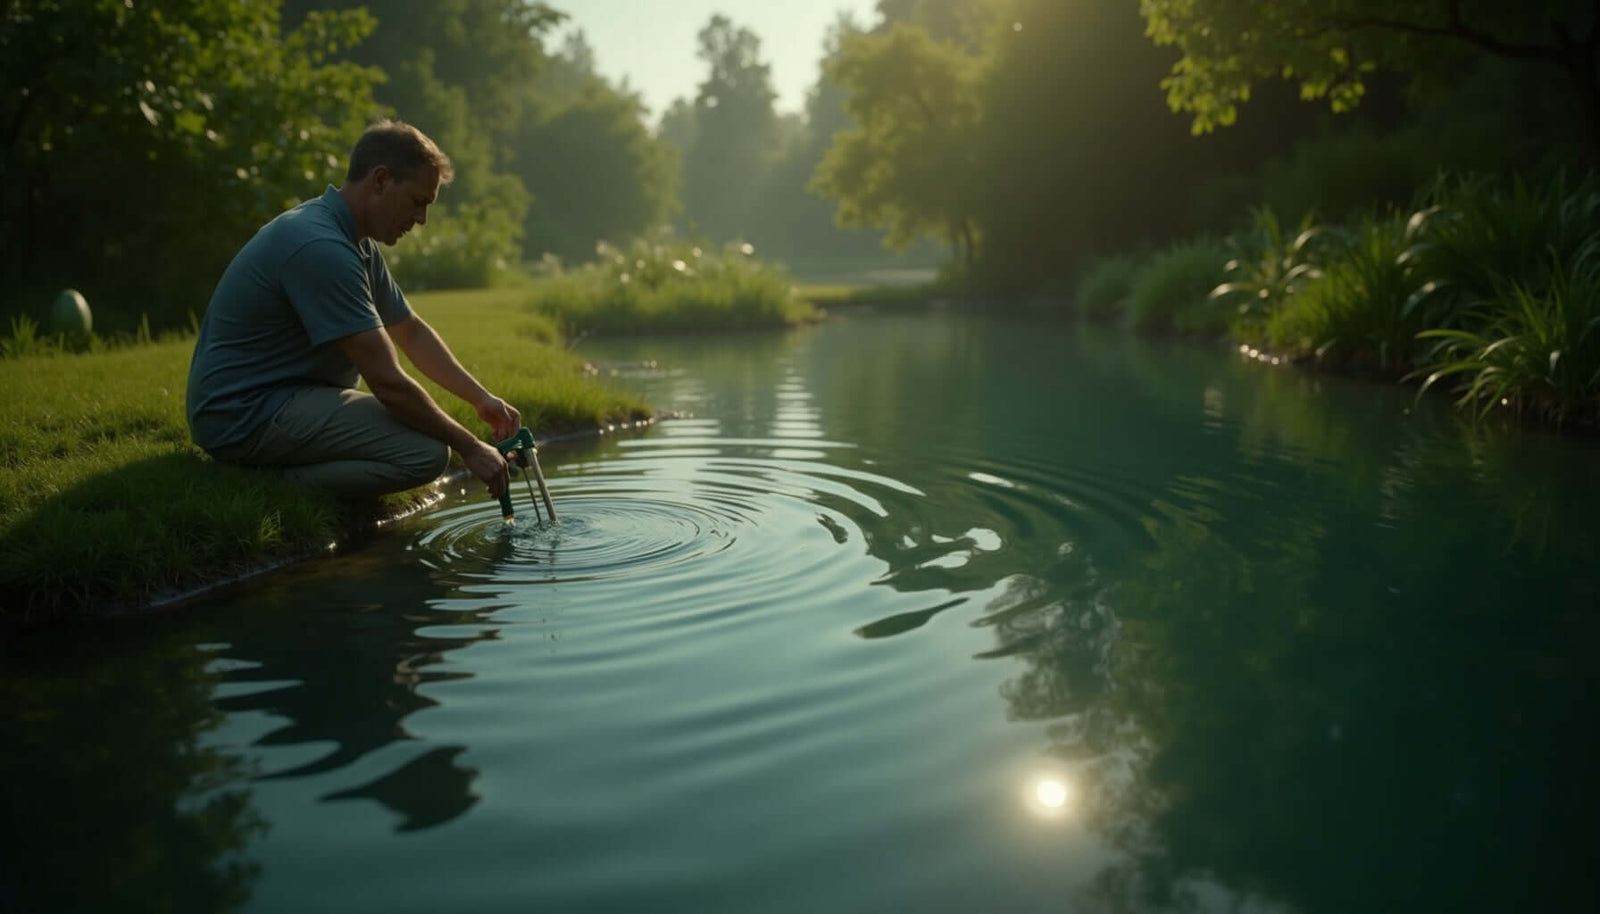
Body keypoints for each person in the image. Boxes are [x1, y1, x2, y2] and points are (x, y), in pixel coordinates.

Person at [186, 120, 514, 500]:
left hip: (283, 399)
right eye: (418, 201)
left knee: (422, 438)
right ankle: (267, 488)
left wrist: (480, 398)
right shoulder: (320, 246)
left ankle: (275, 475)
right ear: (380, 180)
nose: (422, 219)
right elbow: (388, 383)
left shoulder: (353, 240)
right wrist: (471, 446)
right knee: (423, 454)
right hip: (244, 415)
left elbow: (410, 330)